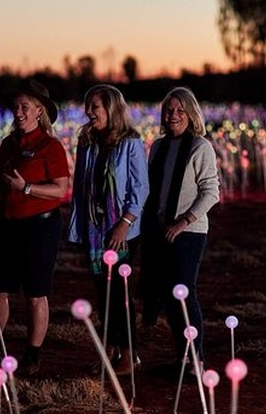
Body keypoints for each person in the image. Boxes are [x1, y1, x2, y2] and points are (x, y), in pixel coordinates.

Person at [0, 79, 69, 374]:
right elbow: (0, 175)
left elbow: (60, 190)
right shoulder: (10, 143)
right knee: (0, 289)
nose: (18, 112)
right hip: (8, 224)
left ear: (39, 111)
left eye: (24, 107)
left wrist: (27, 188)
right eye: (15, 107)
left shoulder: (51, 147)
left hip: (40, 227)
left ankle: (32, 356)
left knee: (35, 292)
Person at [66, 85, 148, 375]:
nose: (89, 112)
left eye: (95, 106)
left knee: (120, 294)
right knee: (103, 293)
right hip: (96, 230)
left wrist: (124, 224)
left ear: (111, 109)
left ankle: (129, 354)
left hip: (122, 230)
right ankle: (109, 350)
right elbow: (80, 188)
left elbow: (140, 189)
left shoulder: (130, 143)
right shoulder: (87, 143)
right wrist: (80, 227)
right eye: (88, 106)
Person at [140, 87, 219, 372]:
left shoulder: (200, 147)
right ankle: (181, 356)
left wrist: (184, 220)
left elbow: (211, 192)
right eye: (168, 110)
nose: (173, 115)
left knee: (184, 291)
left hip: (190, 231)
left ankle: (195, 358)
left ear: (191, 113)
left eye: (179, 110)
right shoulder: (159, 147)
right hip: (161, 230)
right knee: (167, 294)